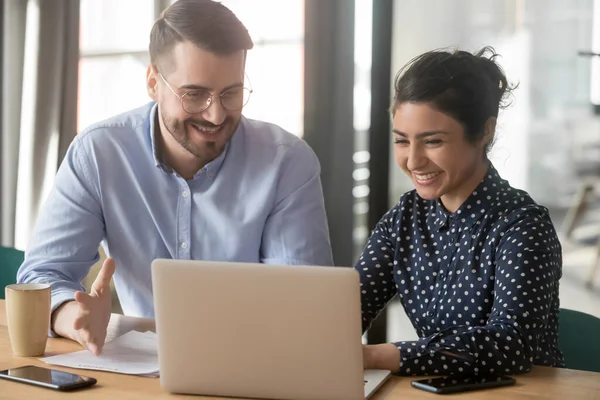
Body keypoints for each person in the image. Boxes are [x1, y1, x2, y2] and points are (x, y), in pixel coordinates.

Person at [17, 0, 332, 355]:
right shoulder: (99, 154)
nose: (215, 115)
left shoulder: (287, 163)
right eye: (194, 94)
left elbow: (305, 304)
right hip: (142, 372)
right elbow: (42, 275)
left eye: (231, 93)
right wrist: (74, 316)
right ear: (153, 82)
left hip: (257, 361)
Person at [358, 47, 564, 376]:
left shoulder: (523, 226)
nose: (413, 161)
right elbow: (346, 311)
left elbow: (510, 345)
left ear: (485, 131)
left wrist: (376, 356)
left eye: (433, 141)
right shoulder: (404, 218)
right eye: (401, 141)